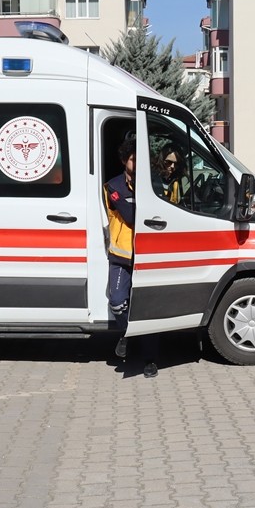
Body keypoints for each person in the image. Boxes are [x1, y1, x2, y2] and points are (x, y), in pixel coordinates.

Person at [105, 132, 158, 378]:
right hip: (121, 256)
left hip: (147, 257)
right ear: (125, 160)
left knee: (145, 309)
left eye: (142, 160)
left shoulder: (151, 187)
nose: (137, 165)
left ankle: (150, 360)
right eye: (134, 159)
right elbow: (131, 215)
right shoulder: (113, 187)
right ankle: (127, 336)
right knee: (117, 301)